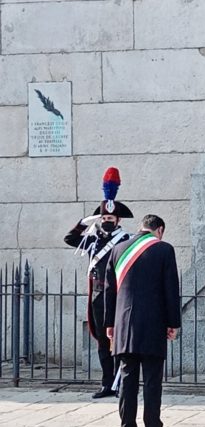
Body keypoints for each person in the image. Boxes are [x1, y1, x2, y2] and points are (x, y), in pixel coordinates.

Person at [104, 215, 181, 427]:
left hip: (124, 325)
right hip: (153, 324)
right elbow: (171, 289)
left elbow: (109, 290)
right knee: (152, 382)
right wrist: (173, 323)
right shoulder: (164, 249)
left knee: (127, 380)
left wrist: (110, 324)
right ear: (159, 229)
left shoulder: (118, 250)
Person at [64, 167, 132, 399]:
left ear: (118, 219)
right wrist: (85, 221)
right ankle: (106, 383)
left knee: (117, 341)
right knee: (103, 342)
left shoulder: (125, 239)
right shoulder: (94, 239)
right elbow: (70, 239)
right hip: (97, 298)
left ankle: (119, 382)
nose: (106, 222)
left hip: (117, 296)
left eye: (110, 219)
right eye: (103, 219)